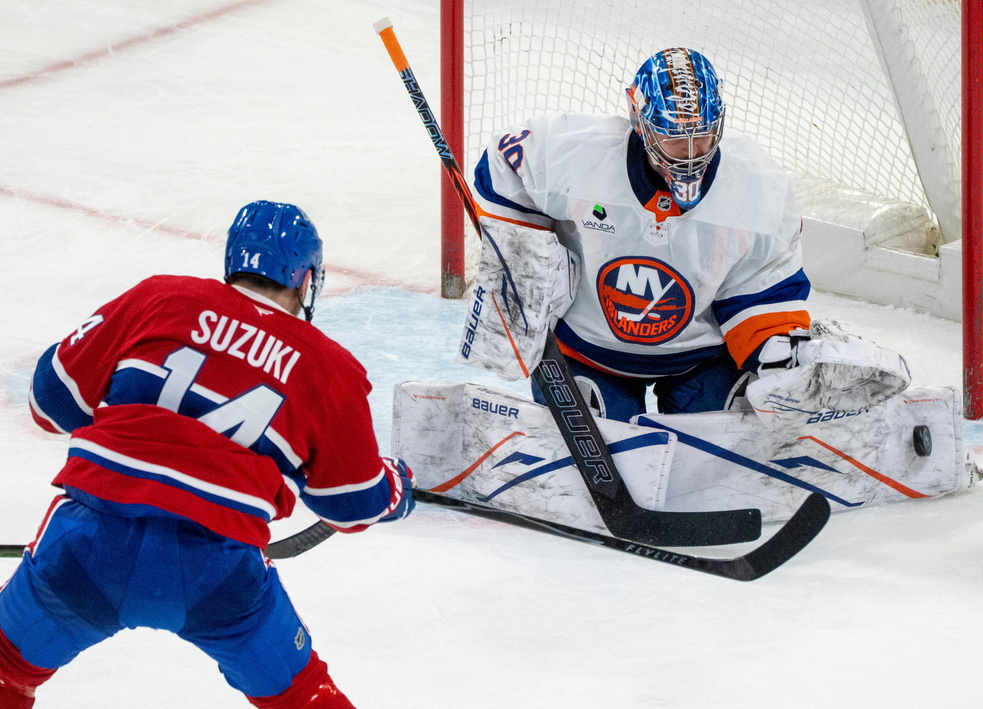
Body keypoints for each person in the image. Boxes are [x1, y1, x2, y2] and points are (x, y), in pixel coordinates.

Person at [0, 201, 415, 709]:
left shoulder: (159, 297)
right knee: (305, 697)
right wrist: (398, 486)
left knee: (5, 670)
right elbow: (353, 505)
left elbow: (49, 404)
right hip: (218, 574)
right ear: (306, 280)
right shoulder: (328, 366)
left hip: (88, 547)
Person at [464, 47, 817, 422]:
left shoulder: (757, 185)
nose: (691, 153)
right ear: (640, 121)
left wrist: (781, 359)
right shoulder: (577, 153)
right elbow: (504, 166)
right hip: (588, 350)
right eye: (674, 137)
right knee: (595, 447)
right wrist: (521, 264)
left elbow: (764, 284)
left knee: (718, 459)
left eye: (704, 135)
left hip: (701, 359)